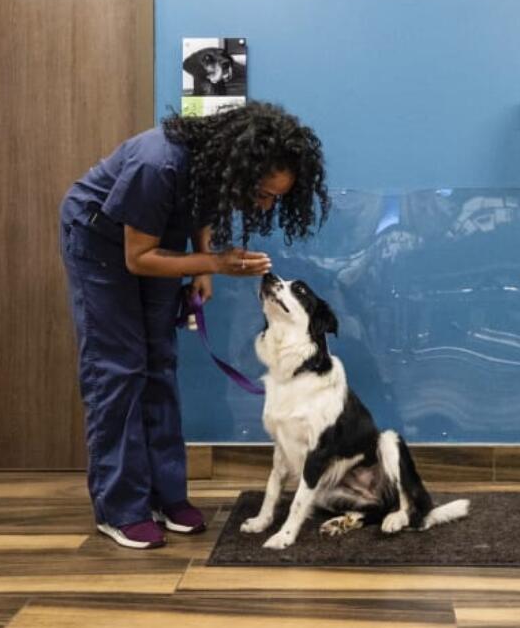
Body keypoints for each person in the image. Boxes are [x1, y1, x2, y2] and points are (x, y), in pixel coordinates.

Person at [59, 101, 329, 549]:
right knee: (119, 369)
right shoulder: (156, 163)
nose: (263, 203)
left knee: (159, 362)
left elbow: (200, 210)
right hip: (101, 242)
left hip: (155, 240)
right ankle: (120, 508)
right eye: (262, 192)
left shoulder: (214, 163)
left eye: (275, 199)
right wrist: (216, 263)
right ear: (242, 170)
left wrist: (201, 268)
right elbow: (136, 258)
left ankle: (167, 496)